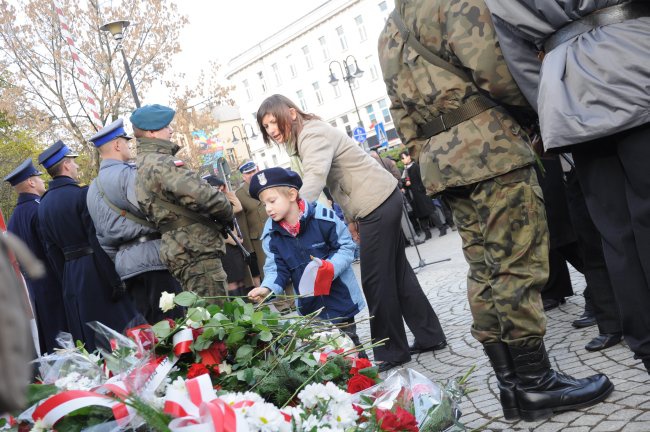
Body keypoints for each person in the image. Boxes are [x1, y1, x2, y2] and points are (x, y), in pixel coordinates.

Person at [378, 0, 612, 421]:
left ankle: (511, 385)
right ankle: (537, 384)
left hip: (442, 161)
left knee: (484, 268)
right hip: (490, 148)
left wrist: (430, 154)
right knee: (517, 265)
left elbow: (401, 114)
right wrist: (535, 113)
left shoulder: (390, 30)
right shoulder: (454, 3)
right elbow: (495, 70)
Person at [485, 0, 650, 374]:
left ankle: (645, 344)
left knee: (616, 235)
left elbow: (515, 55)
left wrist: (550, 106)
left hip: (568, 89)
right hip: (637, 59)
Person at [257, 94, 447, 373]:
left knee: (375, 281)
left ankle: (392, 352)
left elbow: (315, 176)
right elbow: (340, 181)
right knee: (398, 274)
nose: (272, 130)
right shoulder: (307, 135)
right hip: (377, 201)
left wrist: (294, 209)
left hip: (377, 202)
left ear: (291, 113)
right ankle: (430, 336)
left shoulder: (311, 135)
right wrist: (351, 218)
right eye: (266, 127)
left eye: (274, 122)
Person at [246, 167, 366, 355]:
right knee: (325, 355)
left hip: (339, 299)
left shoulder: (323, 218)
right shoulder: (272, 235)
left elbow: (345, 247)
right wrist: (267, 288)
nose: (268, 208)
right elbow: (276, 269)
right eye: (264, 204)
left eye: (272, 201)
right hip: (311, 309)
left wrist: (330, 268)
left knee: (351, 349)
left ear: (292, 194)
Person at [37, 140, 140, 351]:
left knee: (91, 342)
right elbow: (96, 238)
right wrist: (115, 281)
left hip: (71, 276)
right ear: (66, 165)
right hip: (97, 270)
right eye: (73, 163)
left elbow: (52, 251)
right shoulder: (80, 194)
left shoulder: (44, 205)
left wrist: (66, 280)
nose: (76, 167)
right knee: (119, 334)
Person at [131, 104, 233, 304]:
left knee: (202, 318)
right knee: (217, 320)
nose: (171, 130)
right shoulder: (162, 163)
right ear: (151, 133)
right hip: (195, 248)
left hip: (179, 248)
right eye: (166, 126)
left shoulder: (142, 164)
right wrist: (227, 211)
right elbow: (203, 196)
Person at [86, 119, 184, 323]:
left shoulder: (92, 189)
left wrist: (123, 259)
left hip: (125, 266)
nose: (129, 146)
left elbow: (101, 237)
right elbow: (151, 209)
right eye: (126, 142)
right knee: (174, 326)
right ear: (116, 144)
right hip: (154, 258)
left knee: (151, 330)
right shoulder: (127, 174)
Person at [3, 159, 68, 354]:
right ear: (31, 182)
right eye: (38, 178)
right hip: (53, 281)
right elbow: (50, 249)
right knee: (65, 336)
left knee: (51, 338)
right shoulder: (38, 209)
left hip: (35, 288)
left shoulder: (14, 219)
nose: (42, 182)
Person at [203, 175, 251, 298]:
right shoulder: (207, 204)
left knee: (240, 278)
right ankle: (238, 309)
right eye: (215, 188)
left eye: (220, 187)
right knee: (232, 281)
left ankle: (245, 307)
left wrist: (226, 193)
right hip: (224, 245)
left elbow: (238, 207)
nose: (218, 190)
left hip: (235, 243)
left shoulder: (223, 200)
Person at [399, 151, 448, 238]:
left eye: (404, 158)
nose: (403, 160)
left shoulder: (415, 166)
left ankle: (442, 228)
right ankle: (427, 234)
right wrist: (405, 185)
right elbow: (404, 183)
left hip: (421, 194)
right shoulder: (405, 170)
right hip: (413, 196)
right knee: (420, 216)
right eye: (401, 159)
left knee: (430, 212)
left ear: (409, 156)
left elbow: (423, 179)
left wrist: (420, 189)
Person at [234, 161, 268, 286]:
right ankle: (282, 305)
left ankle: (293, 303)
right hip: (259, 241)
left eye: (254, 171)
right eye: (248, 173)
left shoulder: (267, 185)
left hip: (276, 233)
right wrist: (249, 250)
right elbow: (242, 224)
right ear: (243, 176)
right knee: (269, 272)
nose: (252, 174)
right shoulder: (240, 194)